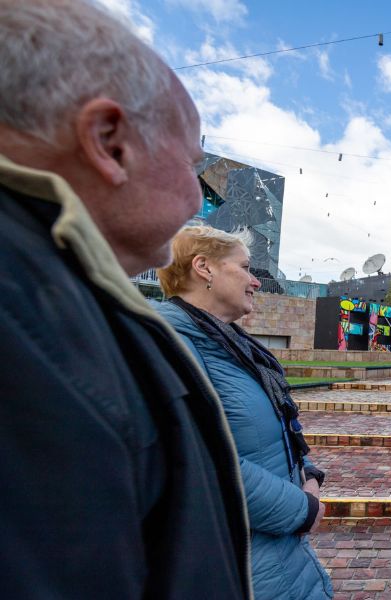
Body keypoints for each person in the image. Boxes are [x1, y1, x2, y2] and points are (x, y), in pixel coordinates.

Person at [0, 1, 251, 598]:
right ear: (109, 143)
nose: (199, 195)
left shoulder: (52, 297)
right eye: (194, 164)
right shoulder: (29, 320)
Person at [156, 226, 333, 600]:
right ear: (204, 268)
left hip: (274, 555)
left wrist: (306, 473)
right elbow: (203, 460)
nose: (255, 281)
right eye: (246, 267)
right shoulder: (171, 342)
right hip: (241, 562)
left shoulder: (230, 344)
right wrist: (301, 509)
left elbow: (262, 436)